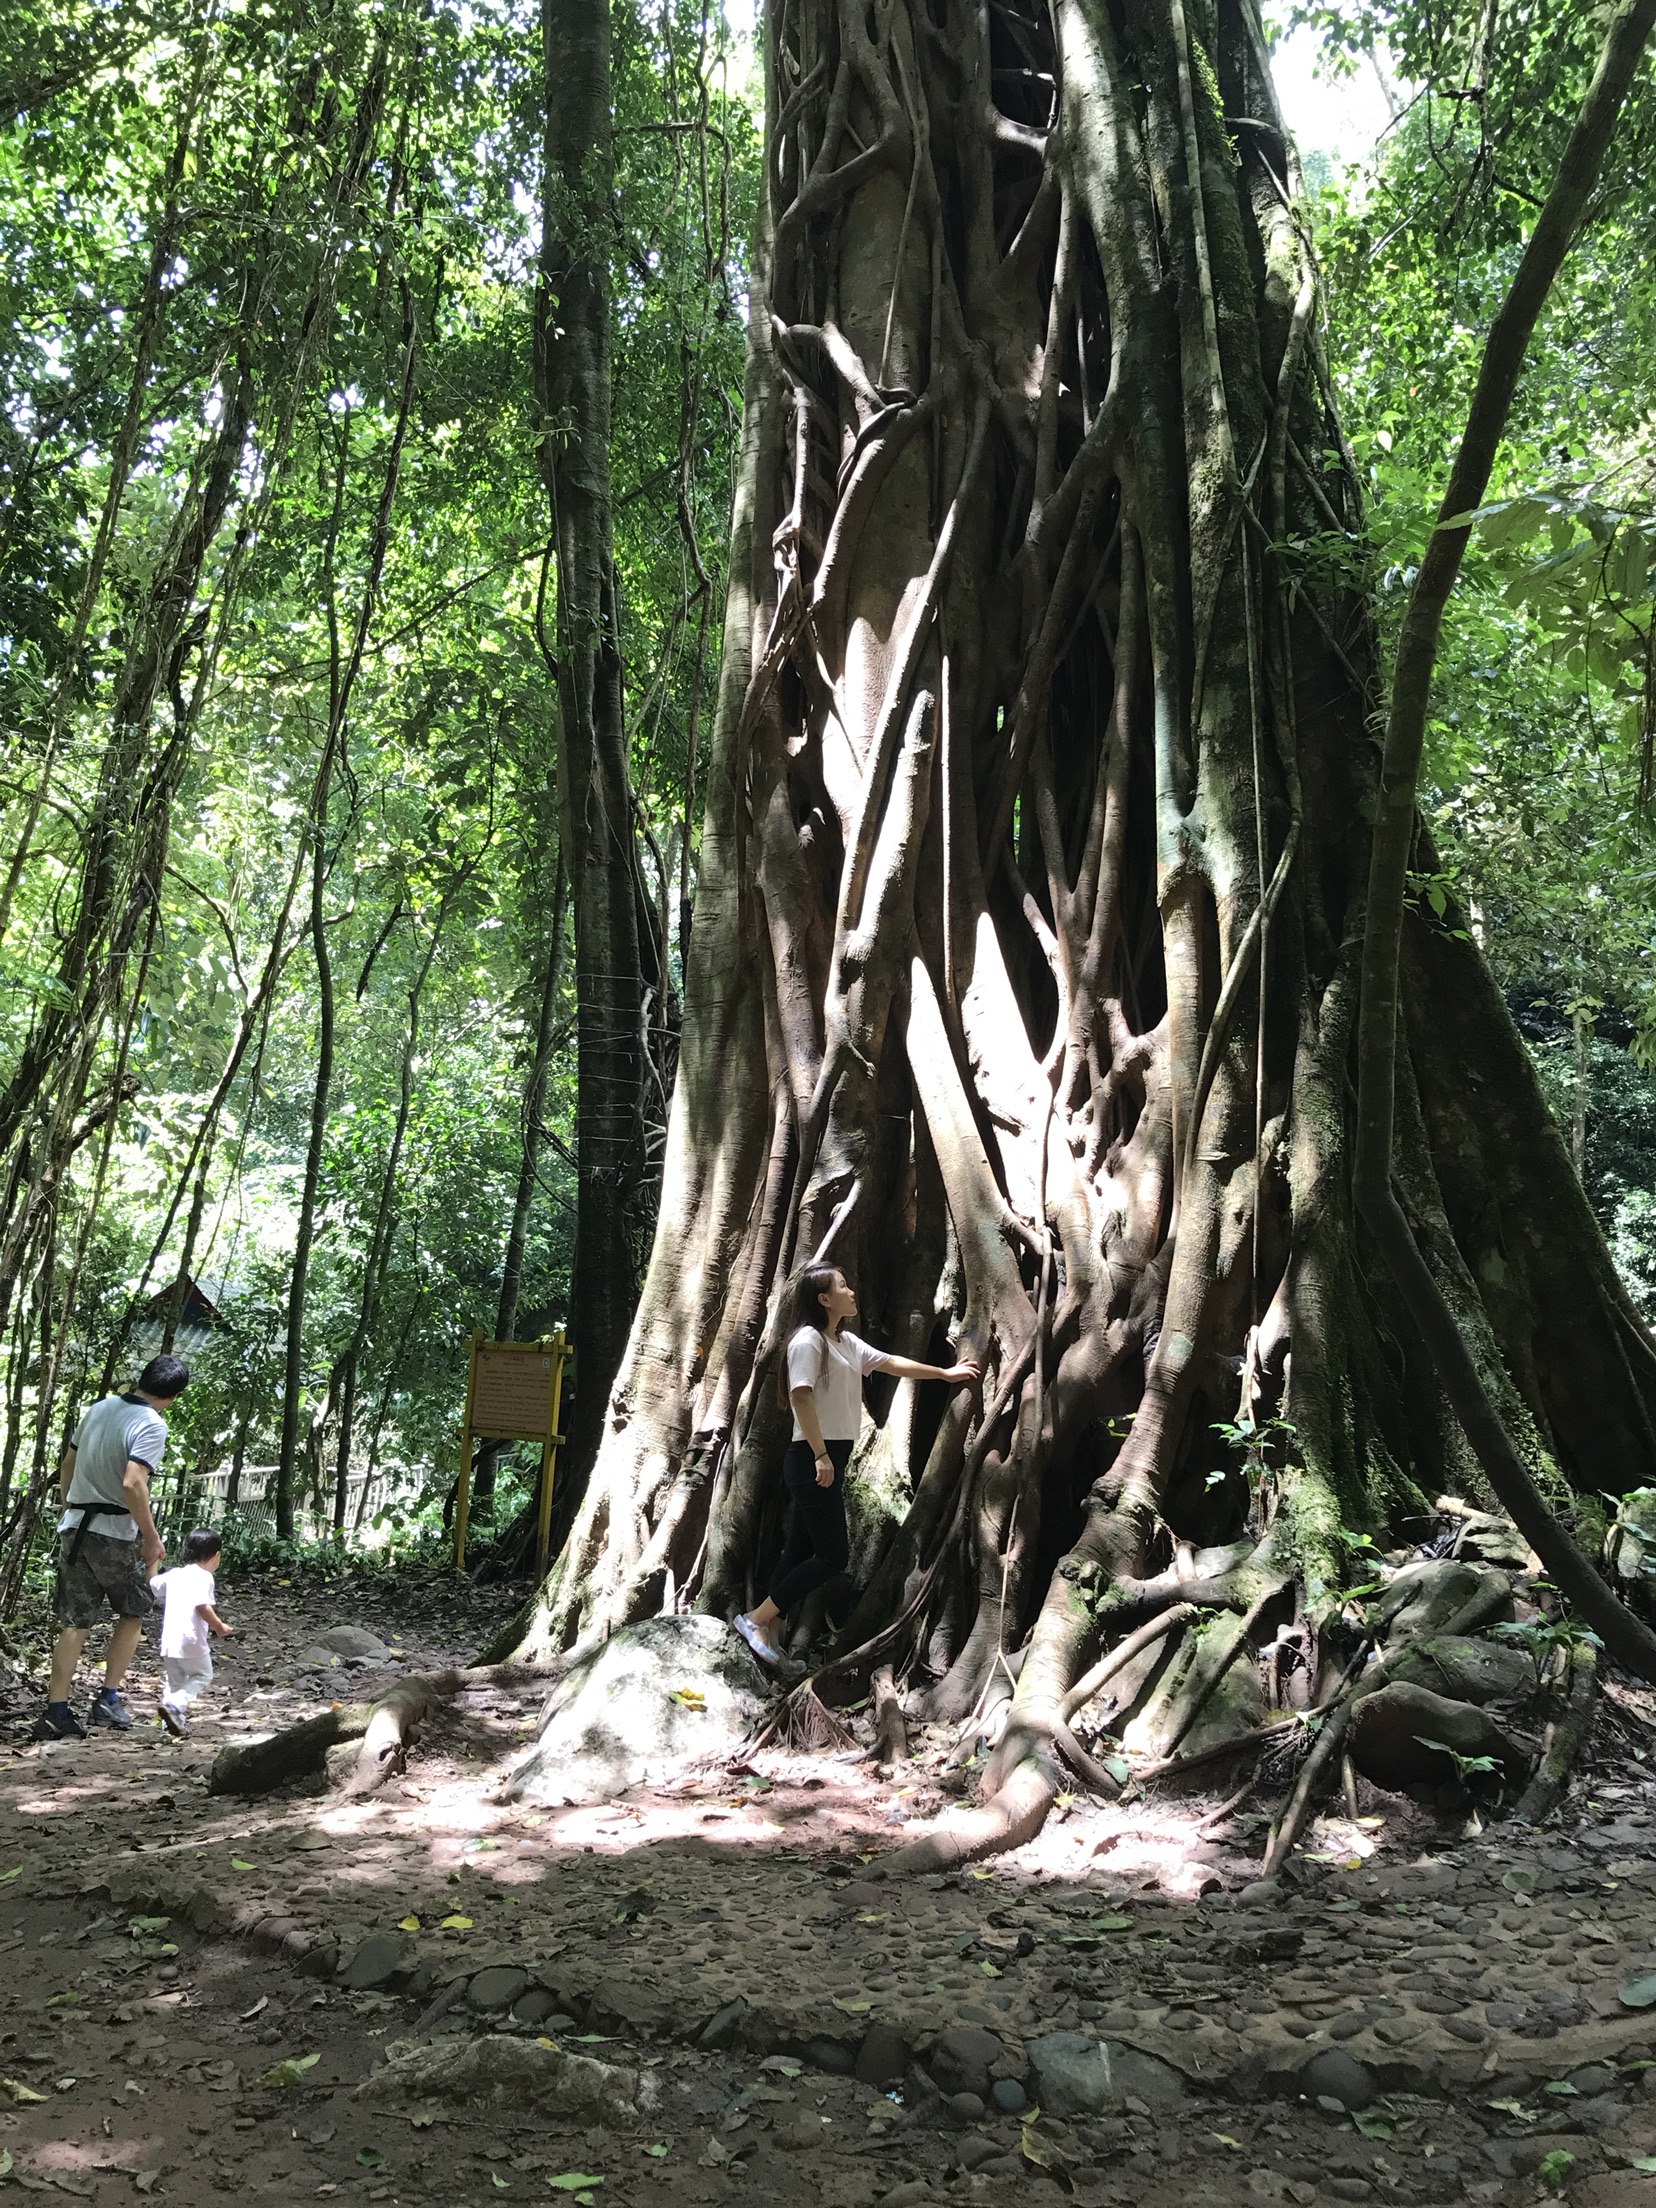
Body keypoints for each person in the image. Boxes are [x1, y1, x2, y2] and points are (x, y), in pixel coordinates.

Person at [734, 1265, 979, 1673]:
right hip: (812, 1457)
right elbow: (800, 1396)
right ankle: (757, 1620)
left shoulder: (844, 1342)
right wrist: (820, 1454)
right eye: (842, 1287)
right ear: (824, 1300)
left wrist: (944, 1373)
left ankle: (770, 1632)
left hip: (827, 1457)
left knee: (799, 1549)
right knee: (833, 1555)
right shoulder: (809, 1341)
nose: (851, 1291)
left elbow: (891, 1363)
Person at [32, 1352, 190, 1740]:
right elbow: (133, 1482)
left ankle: (56, 1711)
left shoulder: (99, 1408)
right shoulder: (151, 1423)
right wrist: (151, 1538)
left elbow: (68, 1463)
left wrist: (69, 1507)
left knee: (75, 1622)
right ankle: (107, 1700)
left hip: (76, 1529)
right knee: (135, 1609)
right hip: (114, 1533)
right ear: (172, 1396)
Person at [151, 1528, 231, 1737]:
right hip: (191, 1641)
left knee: (174, 1682)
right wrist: (219, 1626)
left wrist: (152, 1560)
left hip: (169, 1642)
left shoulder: (173, 1574)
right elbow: (202, 1607)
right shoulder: (204, 1577)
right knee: (203, 1675)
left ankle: (169, 1727)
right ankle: (175, 1705)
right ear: (215, 1556)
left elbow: (152, 1584)